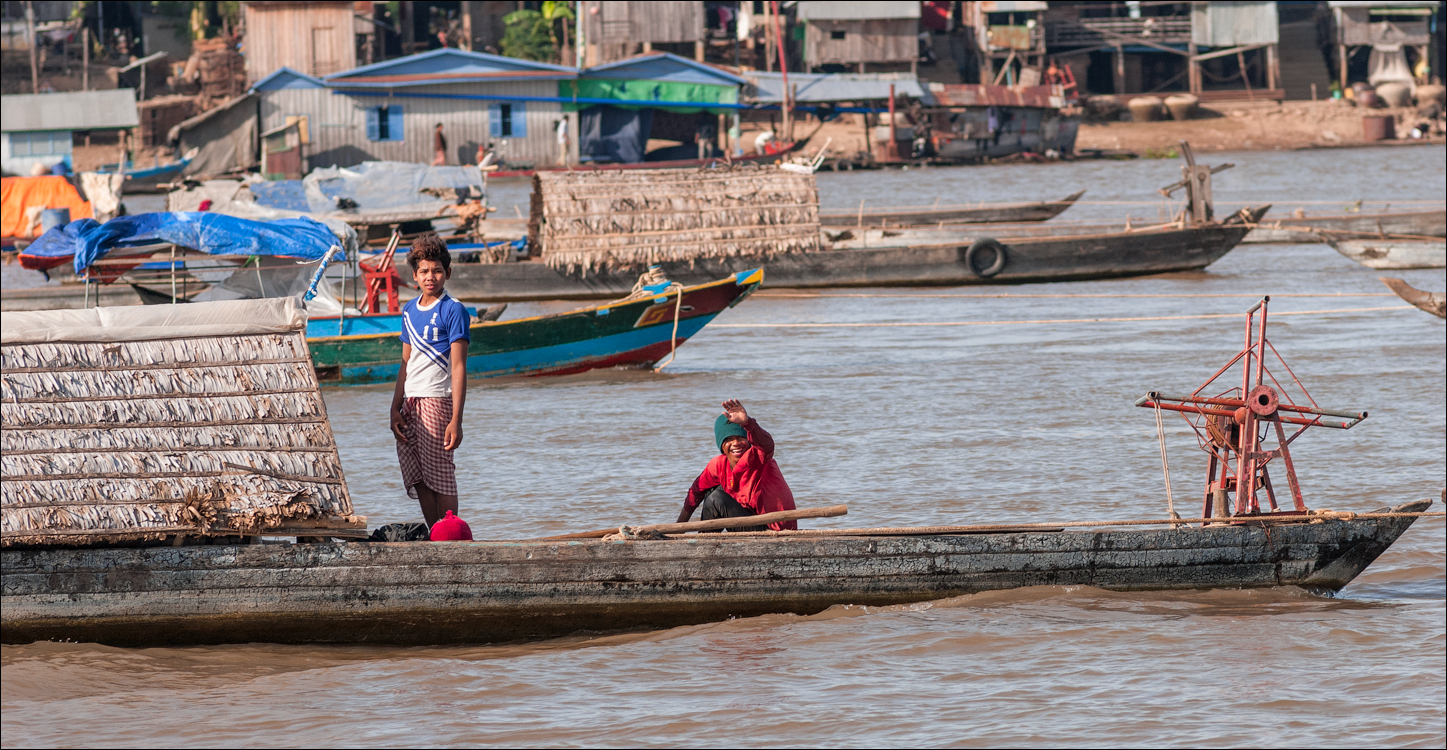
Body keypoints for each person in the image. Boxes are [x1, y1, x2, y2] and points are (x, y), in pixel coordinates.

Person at [390, 234, 471, 527]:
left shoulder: (453, 310)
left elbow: (460, 367)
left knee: (441, 473)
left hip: (438, 399)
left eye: (437, 270)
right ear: (414, 275)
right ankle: (435, 533)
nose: (430, 276)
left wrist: (456, 420)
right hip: (410, 401)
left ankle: (451, 535)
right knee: (418, 475)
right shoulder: (410, 311)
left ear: (447, 273)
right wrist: (394, 407)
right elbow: (405, 363)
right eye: (424, 271)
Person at [677, 399, 797, 532]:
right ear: (721, 445)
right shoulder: (718, 464)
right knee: (711, 491)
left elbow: (767, 444)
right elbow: (695, 493)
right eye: (728, 439)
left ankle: (701, 547)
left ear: (748, 440)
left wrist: (747, 424)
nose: (735, 443)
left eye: (740, 438)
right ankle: (703, 543)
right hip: (750, 520)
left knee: (716, 499)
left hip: (773, 530)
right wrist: (676, 531)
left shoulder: (757, 457)